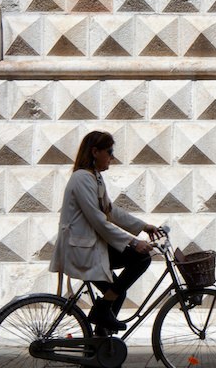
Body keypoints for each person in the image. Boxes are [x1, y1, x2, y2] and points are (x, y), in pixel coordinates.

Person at [50, 130, 164, 333]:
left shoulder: (94, 178)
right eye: (109, 151)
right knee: (141, 259)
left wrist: (142, 226)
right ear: (95, 152)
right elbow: (99, 220)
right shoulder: (82, 178)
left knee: (117, 292)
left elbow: (111, 211)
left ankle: (101, 342)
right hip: (83, 250)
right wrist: (134, 242)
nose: (112, 157)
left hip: (91, 247)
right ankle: (101, 312)